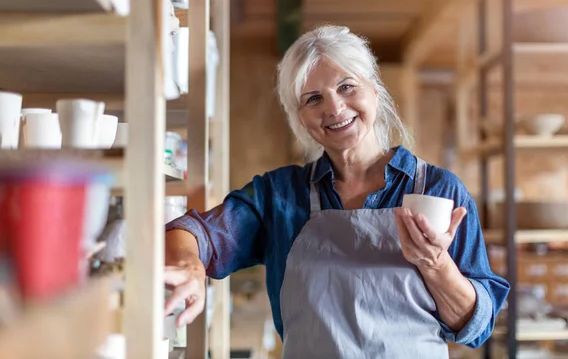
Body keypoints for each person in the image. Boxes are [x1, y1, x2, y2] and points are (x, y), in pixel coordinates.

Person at [163, 25, 510, 358]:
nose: (333, 108)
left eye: (346, 87)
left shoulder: (436, 190)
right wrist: (189, 263)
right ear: (300, 117)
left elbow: (475, 327)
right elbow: (200, 233)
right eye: (313, 98)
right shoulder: (281, 195)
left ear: (374, 90)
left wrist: (435, 264)